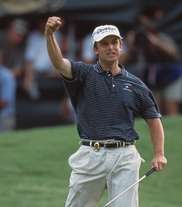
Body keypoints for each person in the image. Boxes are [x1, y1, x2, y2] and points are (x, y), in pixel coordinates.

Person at [45, 16, 167, 207]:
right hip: (90, 154)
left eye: (114, 43)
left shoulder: (136, 85)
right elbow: (59, 62)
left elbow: (153, 120)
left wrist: (159, 154)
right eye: (104, 44)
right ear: (95, 49)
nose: (110, 48)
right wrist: (49, 34)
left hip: (125, 156)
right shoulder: (82, 73)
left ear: (121, 46)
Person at [121, 6, 182, 116]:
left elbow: (174, 54)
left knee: (171, 107)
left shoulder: (162, 37)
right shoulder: (138, 45)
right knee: (155, 107)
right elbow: (122, 61)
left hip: (172, 75)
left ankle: (175, 129)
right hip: (152, 78)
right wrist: (130, 46)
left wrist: (155, 41)